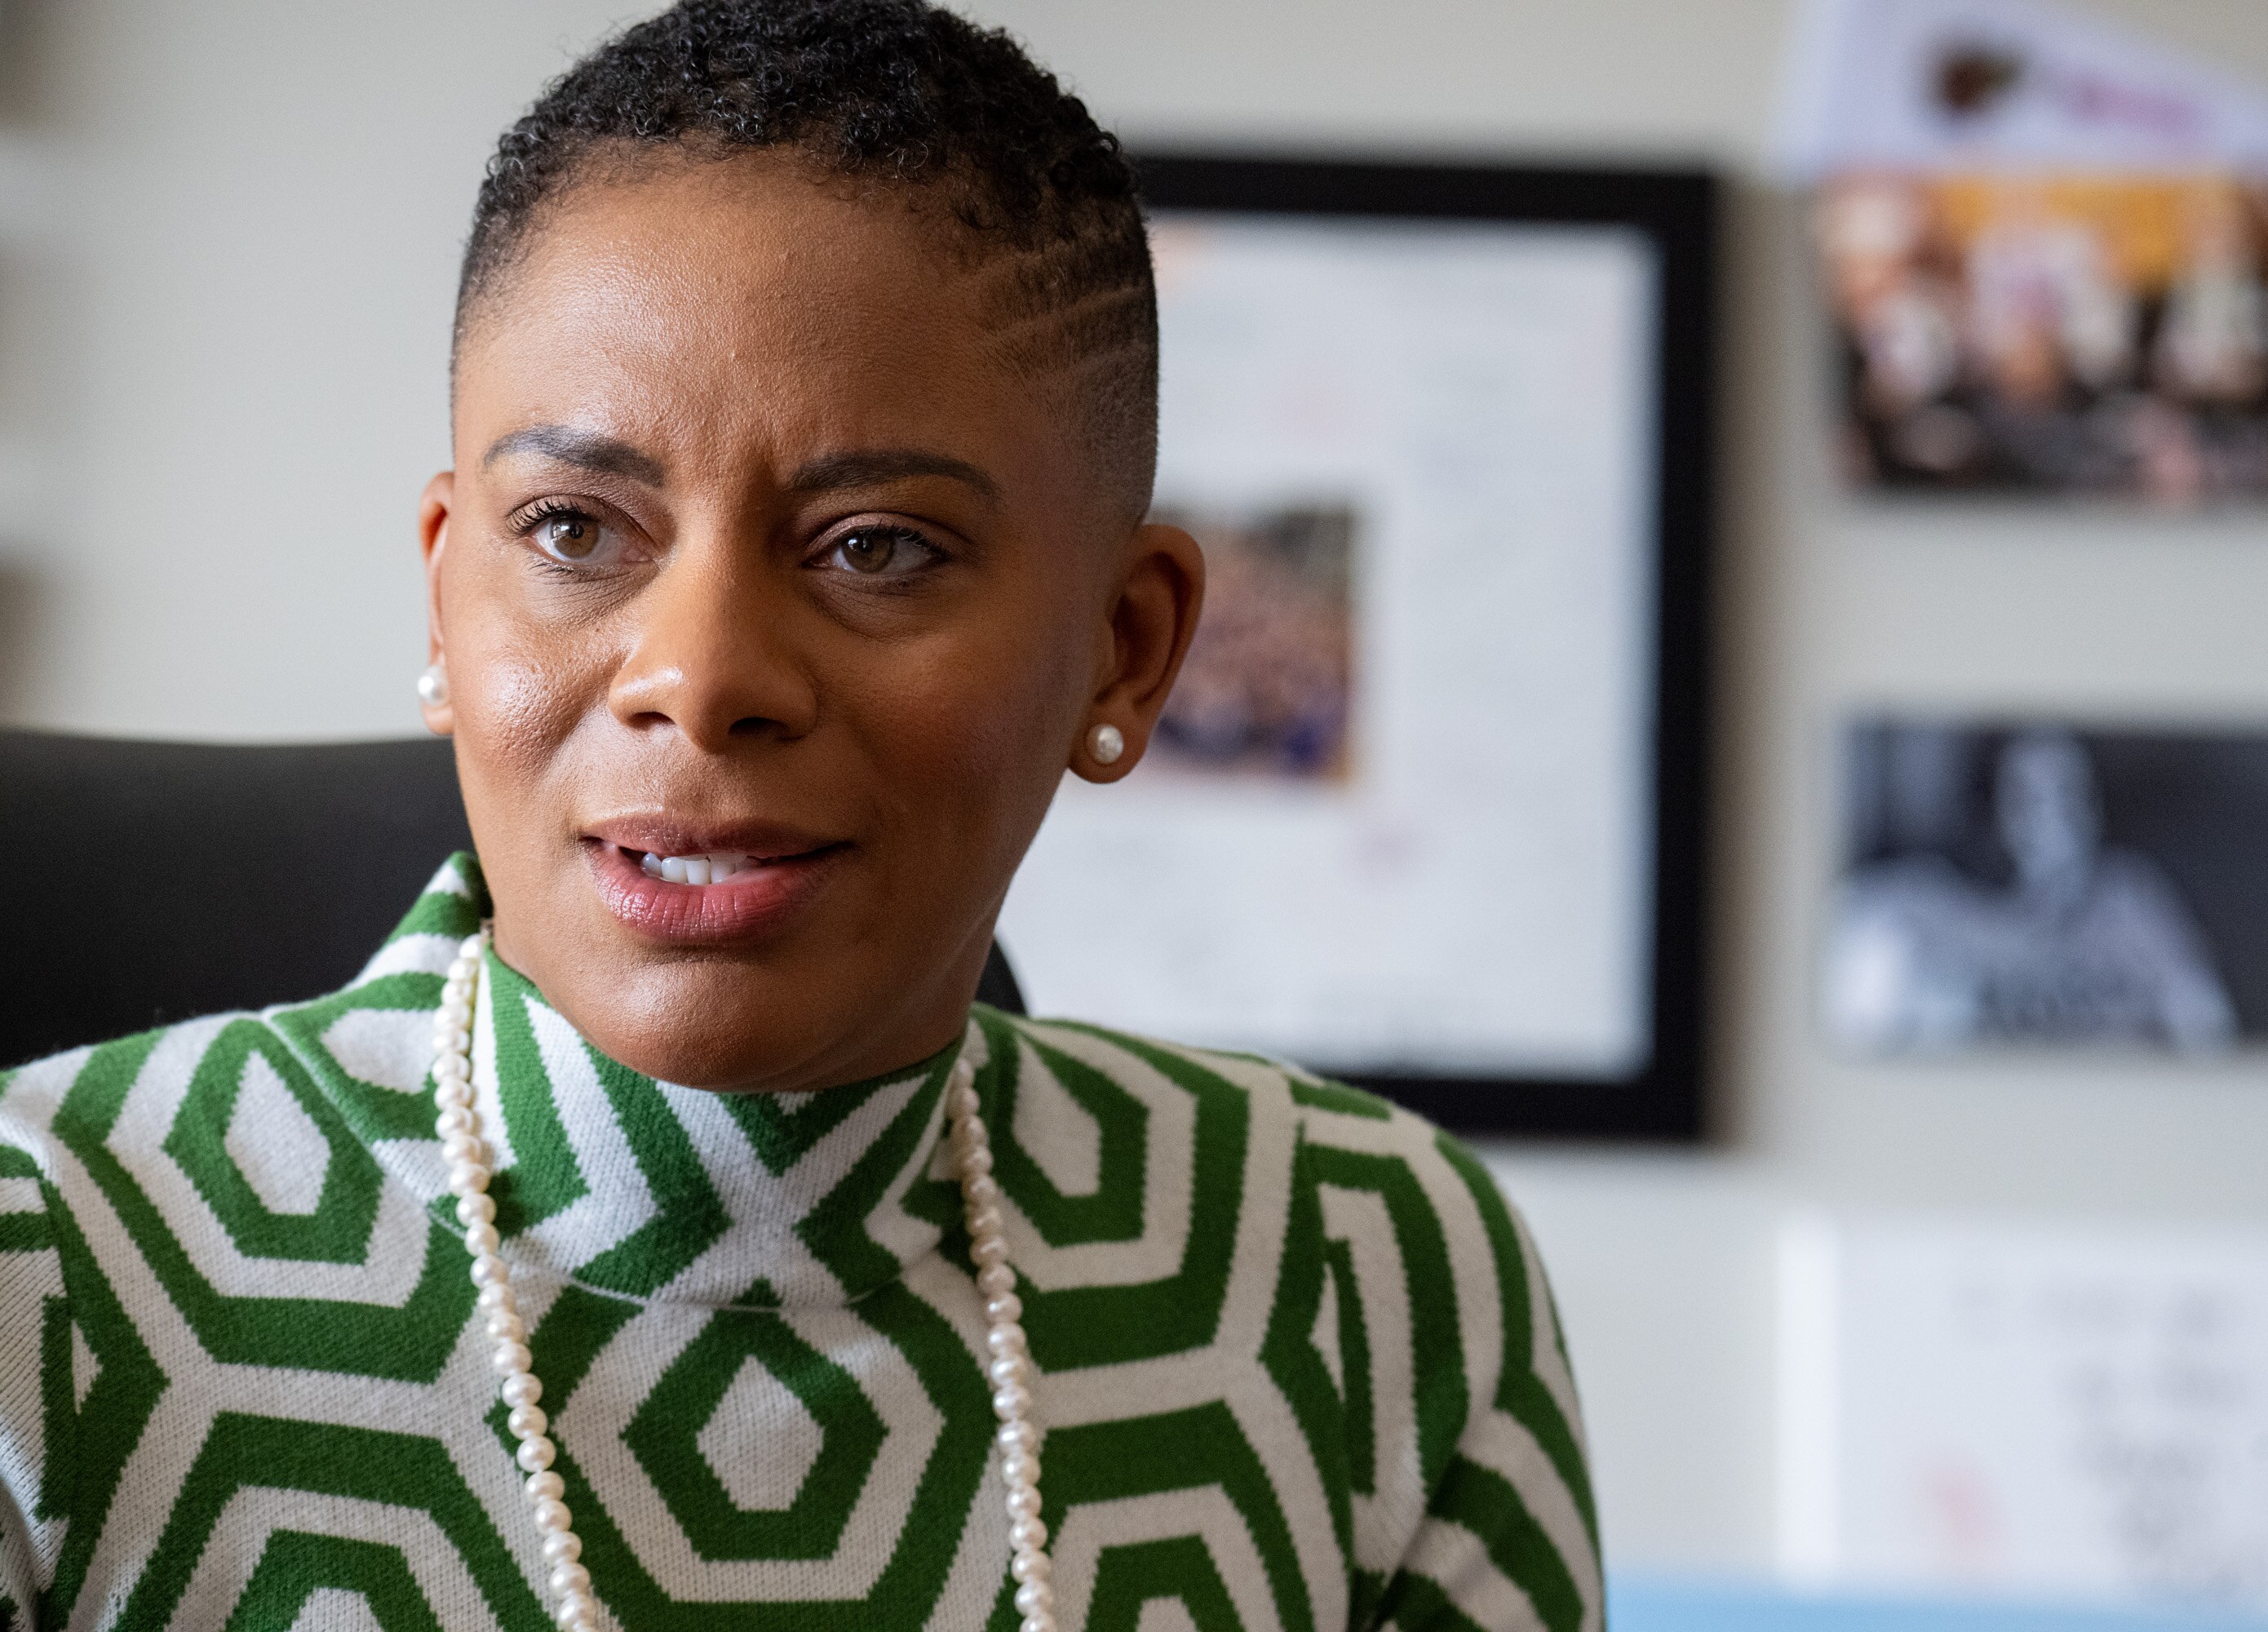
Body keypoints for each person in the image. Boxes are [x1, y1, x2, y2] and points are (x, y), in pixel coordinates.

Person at [0, 4, 1599, 1630]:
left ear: (1126, 649)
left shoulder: (1361, 1275)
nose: (700, 678)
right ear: (442, 594)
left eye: (878, 546)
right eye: (572, 526)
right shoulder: (40, 1266)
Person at [1823, 729, 2238, 1053]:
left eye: (2071, 795)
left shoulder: (2130, 899)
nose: (2054, 822)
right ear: (1988, 809)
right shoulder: (1905, 912)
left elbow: (2208, 1032)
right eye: (2028, 798)